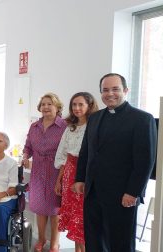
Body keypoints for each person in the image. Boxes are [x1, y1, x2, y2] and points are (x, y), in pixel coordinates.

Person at [74, 73, 157, 251]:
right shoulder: (95, 118)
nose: (110, 94)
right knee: (94, 240)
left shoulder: (142, 119)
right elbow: (86, 151)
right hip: (93, 192)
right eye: (105, 90)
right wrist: (80, 178)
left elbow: (145, 160)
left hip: (123, 195)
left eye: (115, 89)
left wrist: (133, 192)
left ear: (126, 91)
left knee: (120, 243)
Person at [53, 92, 98, 252]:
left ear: (89, 106)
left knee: (83, 218)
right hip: (69, 173)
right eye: (74, 105)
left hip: (85, 173)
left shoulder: (94, 126)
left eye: (81, 104)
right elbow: (64, 156)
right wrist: (59, 180)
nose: (77, 108)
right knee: (73, 217)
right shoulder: (70, 127)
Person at [22, 93, 66, 252]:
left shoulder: (65, 126)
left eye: (50, 104)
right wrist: (26, 155)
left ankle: (55, 243)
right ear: (40, 107)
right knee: (40, 208)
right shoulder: (34, 126)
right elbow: (27, 146)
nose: (46, 107)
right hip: (38, 170)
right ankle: (42, 239)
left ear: (57, 107)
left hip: (57, 170)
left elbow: (67, 151)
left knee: (55, 210)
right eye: (43, 104)